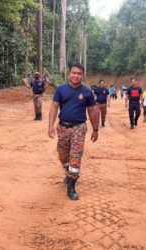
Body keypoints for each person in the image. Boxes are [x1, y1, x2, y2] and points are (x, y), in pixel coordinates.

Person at [48, 62, 98, 201]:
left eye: (79, 73)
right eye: (74, 73)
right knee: (63, 155)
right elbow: (54, 107)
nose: (76, 75)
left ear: (83, 76)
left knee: (75, 157)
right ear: (69, 74)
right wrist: (50, 126)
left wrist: (95, 129)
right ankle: (68, 172)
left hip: (79, 128)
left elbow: (92, 112)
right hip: (63, 127)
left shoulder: (87, 92)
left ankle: (71, 187)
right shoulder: (61, 90)